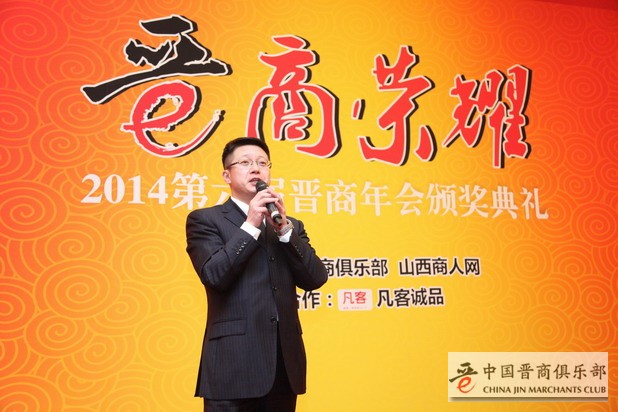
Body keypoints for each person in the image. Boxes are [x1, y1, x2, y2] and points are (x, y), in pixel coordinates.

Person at [186, 137, 328, 411]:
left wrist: (284, 231)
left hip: (283, 366)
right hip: (232, 365)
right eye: (245, 162)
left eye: (262, 163)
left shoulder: (290, 226)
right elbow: (214, 275)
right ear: (226, 175)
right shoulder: (205, 220)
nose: (255, 168)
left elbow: (315, 278)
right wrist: (251, 224)